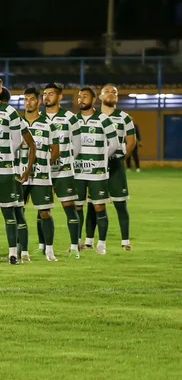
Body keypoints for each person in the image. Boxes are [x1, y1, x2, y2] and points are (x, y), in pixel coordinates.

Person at [0, 77, 35, 265]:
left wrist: (11, 160)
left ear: (0, 90)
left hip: (4, 170)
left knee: (9, 212)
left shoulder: (9, 112)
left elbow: (18, 141)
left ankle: (13, 253)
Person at [75, 87, 118, 254]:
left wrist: (102, 157)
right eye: (79, 97)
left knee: (99, 207)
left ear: (93, 100)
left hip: (98, 173)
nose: (81, 99)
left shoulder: (103, 119)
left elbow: (114, 144)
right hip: (78, 172)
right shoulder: (74, 120)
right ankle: (76, 242)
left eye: (85, 96)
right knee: (77, 207)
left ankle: (102, 244)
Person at [42, 83, 83, 259]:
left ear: (59, 97)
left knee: (69, 207)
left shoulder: (69, 117)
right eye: (44, 94)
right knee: (43, 209)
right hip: (43, 172)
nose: (46, 97)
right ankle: (43, 245)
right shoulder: (39, 118)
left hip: (64, 171)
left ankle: (75, 245)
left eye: (51, 94)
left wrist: (68, 161)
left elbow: (78, 143)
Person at [19, 87, 59, 261]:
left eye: (32, 99)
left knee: (45, 213)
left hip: (41, 175)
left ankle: (49, 250)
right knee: (18, 212)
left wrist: (44, 165)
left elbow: (56, 150)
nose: (29, 102)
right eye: (26, 99)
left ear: (39, 102)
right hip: (19, 174)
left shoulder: (49, 124)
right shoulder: (16, 123)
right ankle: (23, 252)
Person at [100, 84, 136, 251]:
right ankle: (88, 241)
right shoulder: (92, 117)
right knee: (95, 204)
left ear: (117, 98)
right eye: (107, 91)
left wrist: (122, 158)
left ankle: (125, 242)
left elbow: (131, 141)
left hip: (115, 164)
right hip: (96, 166)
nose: (111, 94)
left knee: (120, 204)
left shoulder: (124, 117)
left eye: (114, 92)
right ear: (100, 97)